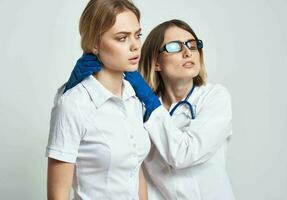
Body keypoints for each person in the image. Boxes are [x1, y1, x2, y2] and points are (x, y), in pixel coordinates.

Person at [65, 19, 235, 200]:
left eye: (192, 45)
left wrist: (152, 105)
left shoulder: (215, 98)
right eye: (174, 47)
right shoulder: (136, 104)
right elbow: (98, 132)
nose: (187, 52)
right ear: (156, 63)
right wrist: (71, 90)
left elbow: (183, 154)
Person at [45, 0, 150, 199]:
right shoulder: (73, 105)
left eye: (137, 35)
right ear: (94, 43)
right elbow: (58, 194)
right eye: (122, 38)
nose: (135, 46)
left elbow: (136, 170)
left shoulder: (134, 98)